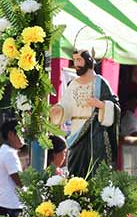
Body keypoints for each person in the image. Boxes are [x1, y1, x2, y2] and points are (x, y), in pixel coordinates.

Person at [50, 49, 120, 177]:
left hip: (96, 132)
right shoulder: (73, 85)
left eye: (79, 60)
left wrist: (100, 105)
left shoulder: (100, 82)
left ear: (88, 61)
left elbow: (115, 106)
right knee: (75, 164)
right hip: (76, 129)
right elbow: (66, 106)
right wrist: (58, 110)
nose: (76, 63)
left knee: (95, 166)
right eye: (74, 60)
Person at [0, 118, 25, 217]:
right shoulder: (9, 153)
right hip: (11, 208)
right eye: (21, 134)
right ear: (11, 134)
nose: (23, 138)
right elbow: (21, 181)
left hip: (5, 206)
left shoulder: (4, 151)